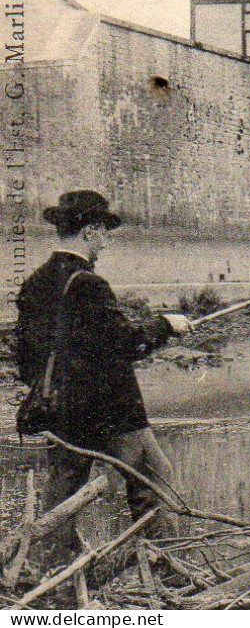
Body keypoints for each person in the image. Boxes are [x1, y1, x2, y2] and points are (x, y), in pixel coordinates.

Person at [17, 191, 192, 542]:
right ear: (90, 231)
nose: (106, 242)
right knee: (154, 482)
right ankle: (166, 568)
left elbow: (25, 360)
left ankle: (52, 570)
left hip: (60, 415)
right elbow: (125, 345)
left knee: (61, 501)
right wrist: (166, 326)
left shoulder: (35, 282)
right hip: (113, 413)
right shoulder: (89, 284)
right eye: (104, 233)